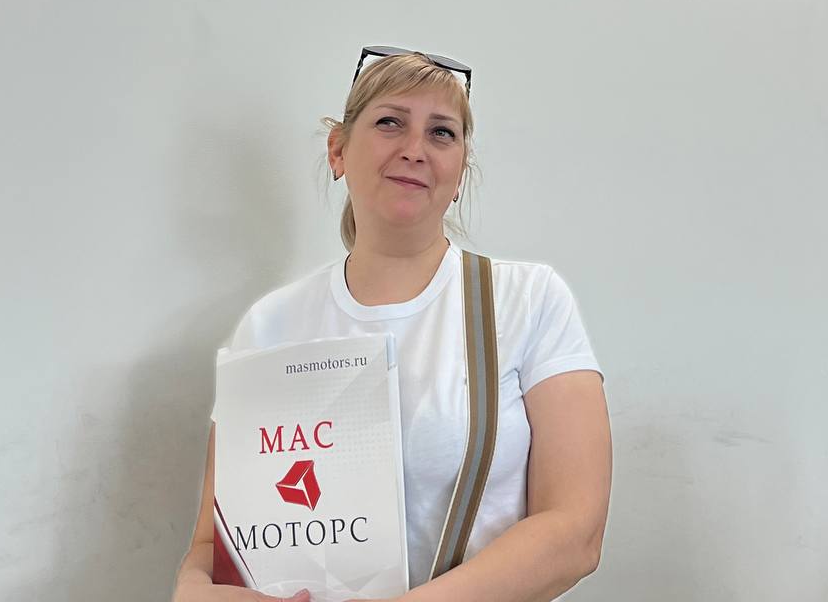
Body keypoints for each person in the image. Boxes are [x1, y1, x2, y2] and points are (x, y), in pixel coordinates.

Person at [173, 48, 612, 602]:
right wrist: (193, 591)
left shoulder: (528, 300)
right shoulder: (271, 324)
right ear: (338, 150)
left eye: (441, 133)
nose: (414, 150)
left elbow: (575, 533)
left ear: (460, 173)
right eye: (389, 122)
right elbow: (213, 545)